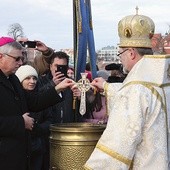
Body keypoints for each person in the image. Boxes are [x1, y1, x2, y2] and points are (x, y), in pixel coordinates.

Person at [84, 9, 170, 169]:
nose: (120, 58)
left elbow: (116, 147)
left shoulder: (134, 90)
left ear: (131, 53)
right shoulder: (163, 80)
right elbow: (148, 102)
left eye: (120, 53)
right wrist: (107, 87)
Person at [0, 36, 74, 170]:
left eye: (22, 58)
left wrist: (58, 88)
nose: (20, 63)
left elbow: (33, 102)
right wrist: (21, 123)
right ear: (1, 57)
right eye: (16, 59)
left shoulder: (13, 79)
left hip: (19, 156)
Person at [15, 65, 52, 170]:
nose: (32, 81)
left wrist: (39, 128)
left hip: (38, 146)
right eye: (27, 78)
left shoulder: (41, 97)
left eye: (34, 78)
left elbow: (50, 119)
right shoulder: (15, 98)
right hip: (20, 147)